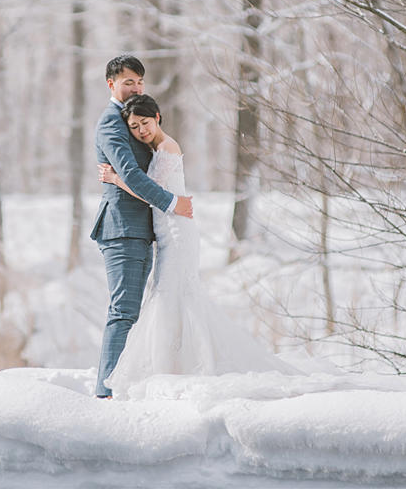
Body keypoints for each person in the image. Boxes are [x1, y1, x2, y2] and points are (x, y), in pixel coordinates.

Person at [101, 94, 298, 395]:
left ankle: (178, 366)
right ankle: (172, 364)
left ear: (157, 117)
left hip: (178, 234)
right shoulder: (155, 148)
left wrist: (116, 179)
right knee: (168, 296)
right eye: (134, 127)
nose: (140, 130)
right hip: (166, 234)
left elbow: (149, 190)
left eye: (144, 123)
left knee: (171, 295)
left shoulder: (167, 147)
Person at [90, 56, 194, 399]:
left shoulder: (133, 116)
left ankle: (124, 383)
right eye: (127, 83)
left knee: (136, 311)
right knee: (123, 311)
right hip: (122, 228)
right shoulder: (110, 124)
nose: (134, 87)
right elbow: (132, 174)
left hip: (146, 228)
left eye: (138, 82)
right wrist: (171, 202)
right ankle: (106, 392)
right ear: (111, 84)